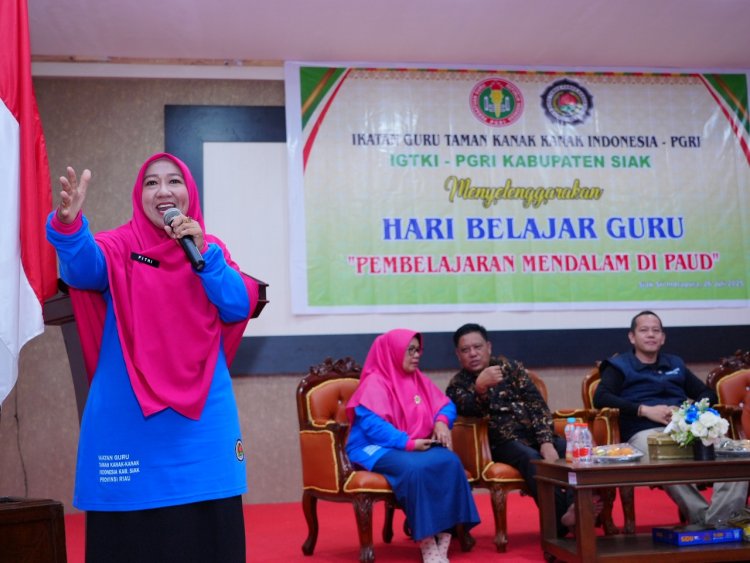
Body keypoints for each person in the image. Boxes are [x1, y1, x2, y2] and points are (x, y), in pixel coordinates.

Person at [46, 153, 260, 562]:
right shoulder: (118, 245)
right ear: (138, 195)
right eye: (151, 182)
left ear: (189, 192)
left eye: (174, 181)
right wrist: (69, 226)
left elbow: (237, 304)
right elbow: (82, 269)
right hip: (129, 420)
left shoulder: (208, 249)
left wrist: (205, 255)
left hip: (202, 422)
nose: (163, 190)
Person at [594, 310, 748, 526]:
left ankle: (716, 523)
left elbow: (707, 394)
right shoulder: (619, 365)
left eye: (656, 331)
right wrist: (644, 410)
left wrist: (687, 411)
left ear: (663, 337)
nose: (651, 335)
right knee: (664, 457)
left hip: (686, 429)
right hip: (645, 432)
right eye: (644, 330)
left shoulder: (675, 363)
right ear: (632, 337)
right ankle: (704, 519)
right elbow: (600, 397)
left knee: (739, 456)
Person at [346, 329, 480, 563]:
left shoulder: (418, 378)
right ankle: (427, 542)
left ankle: (445, 537)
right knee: (415, 470)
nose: (417, 355)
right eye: (410, 350)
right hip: (374, 447)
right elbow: (373, 426)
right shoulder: (374, 382)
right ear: (393, 352)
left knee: (450, 461)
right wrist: (407, 443)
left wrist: (441, 422)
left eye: (418, 350)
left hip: (413, 445)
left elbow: (446, 405)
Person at [446, 323, 578, 537]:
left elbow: (537, 405)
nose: (473, 353)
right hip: (502, 444)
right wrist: (480, 388)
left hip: (535, 435)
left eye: (477, 347)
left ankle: (577, 507)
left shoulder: (511, 369)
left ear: (488, 347)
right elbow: (469, 410)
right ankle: (563, 521)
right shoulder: (457, 385)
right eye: (465, 350)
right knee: (532, 459)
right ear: (458, 355)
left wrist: (546, 441)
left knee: (576, 451)